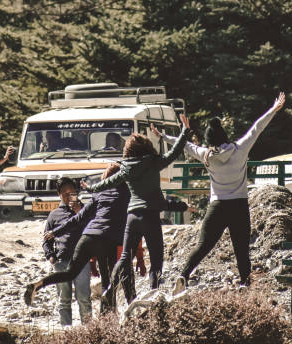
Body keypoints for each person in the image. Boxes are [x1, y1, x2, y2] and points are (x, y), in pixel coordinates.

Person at [166, 92, 286, 295]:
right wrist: (273, 109)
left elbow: (185, 145)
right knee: (241, 248)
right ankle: (244, 284)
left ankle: (184, 275)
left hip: (217, 206)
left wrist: (163, 136)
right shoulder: (240, 149)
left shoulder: (206, 155)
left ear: (209, 139)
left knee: (203, 245)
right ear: (224, 135)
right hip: (238, 205)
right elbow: (257, 128)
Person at [82, 114, 191, 303]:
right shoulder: (154, 163)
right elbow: (174, 153)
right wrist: (184, 131)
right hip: (150, 217)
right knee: (156, 260)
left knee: (124, 257)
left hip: (132, 216)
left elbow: (108, 182)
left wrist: (90, 188)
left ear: (128, 150)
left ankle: (110, 288)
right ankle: (154, 292)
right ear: (146, 147)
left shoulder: (126, 168)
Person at [24, 164, 130, 313]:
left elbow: (78, 218)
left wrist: (56, 231)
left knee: (70, 273)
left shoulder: (99, 193)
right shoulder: (127, 192)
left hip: (88, 237)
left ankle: (38, 285)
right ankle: (107, 321)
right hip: (108, 240)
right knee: (108, 283)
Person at [38, 177, 92, 326]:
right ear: (59, 195)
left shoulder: (86, 210)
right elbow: (46, 240)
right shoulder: (54, 215)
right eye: (64, 193)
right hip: (61, 261)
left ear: (77, 193)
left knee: (84, 298)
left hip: (81, 260)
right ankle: (66, 333)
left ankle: (89, 332)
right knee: (64, 299)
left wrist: (78, 211)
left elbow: (94, 228)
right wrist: (51, 257)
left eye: (72, 192)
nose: (69, 196)